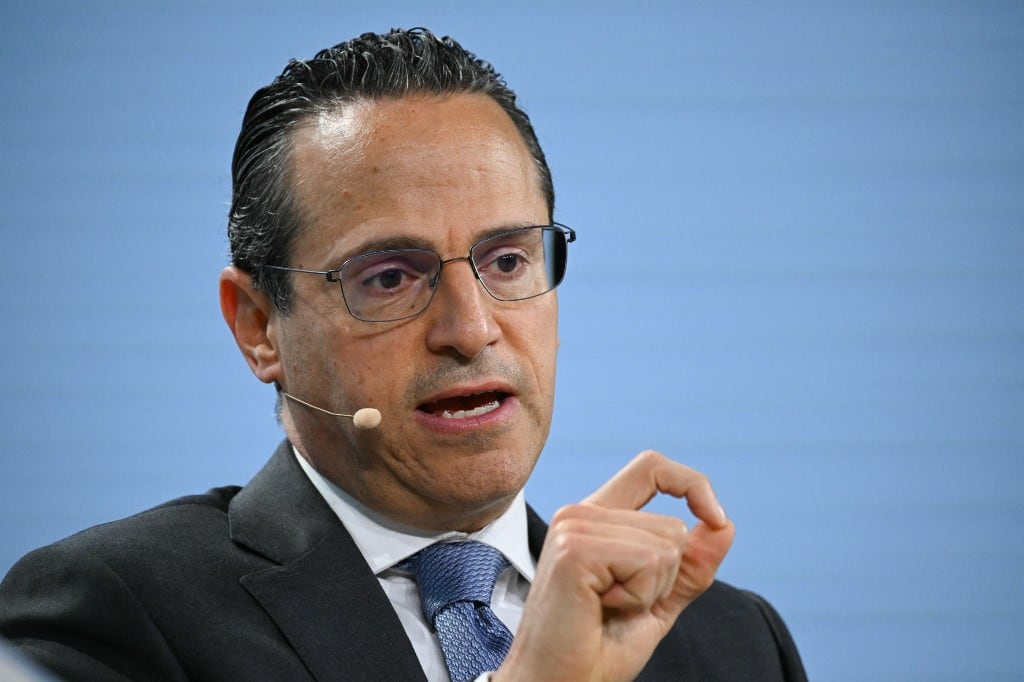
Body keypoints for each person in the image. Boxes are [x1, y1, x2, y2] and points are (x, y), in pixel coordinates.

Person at [0, 28, 806, 681]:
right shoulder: (117, 613)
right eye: (389, 276)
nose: (472, 328)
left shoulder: (729, 645)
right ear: (257, 325)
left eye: (507, 262)